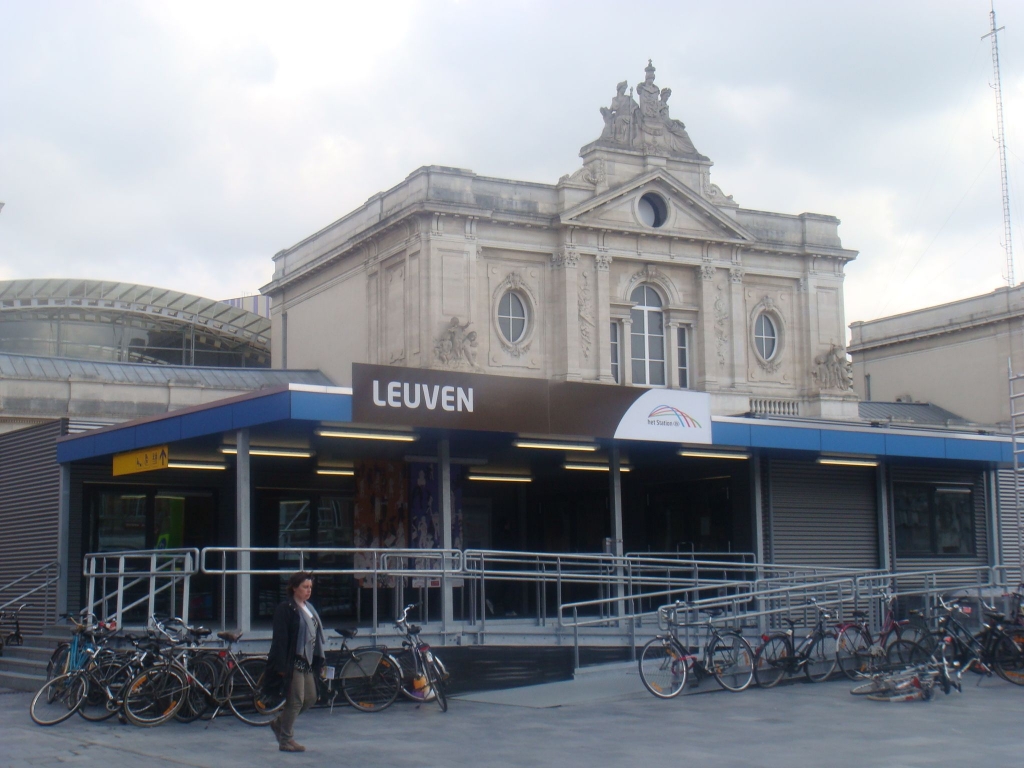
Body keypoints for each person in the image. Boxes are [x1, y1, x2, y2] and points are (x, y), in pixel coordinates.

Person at [267, 571, 326, 753]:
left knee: (310, 697)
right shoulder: (286, 609)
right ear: (294, 588)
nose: (308, 590)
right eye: (305, 587)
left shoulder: (309, 608)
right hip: (293, 660)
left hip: (307, 660)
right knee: (296, 700)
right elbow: (280, 639)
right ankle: (286, 739)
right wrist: (281, 666)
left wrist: (319, 660)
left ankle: (279, 723)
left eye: (310, 587)